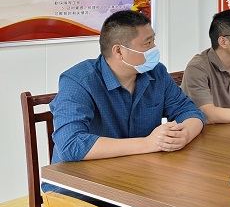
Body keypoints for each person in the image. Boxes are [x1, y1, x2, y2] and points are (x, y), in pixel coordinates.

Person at [46, 10, 205, 195]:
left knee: (192, 193)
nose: (154, 48)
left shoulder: (157, 73)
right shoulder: (78, 80)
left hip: (138, 178)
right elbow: (70, 145)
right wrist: (149, 143)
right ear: (119, 51)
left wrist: (185, 134)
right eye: (147, 43)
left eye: (153, 41)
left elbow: (190, 111)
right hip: (82, 189)